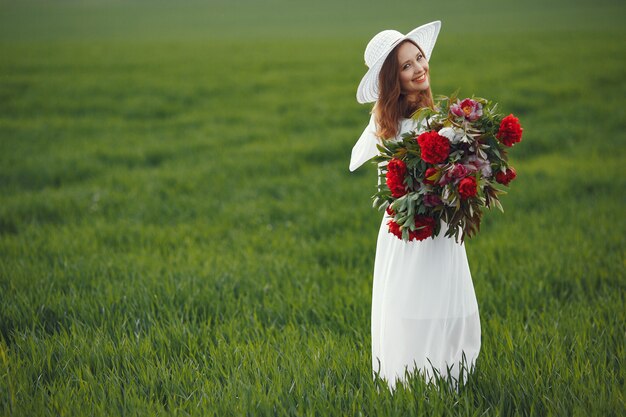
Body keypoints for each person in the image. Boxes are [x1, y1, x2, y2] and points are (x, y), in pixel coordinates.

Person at [349, 21, 481, 389]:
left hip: (441, 228)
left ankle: (450, 379)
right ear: (394, 78)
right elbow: (390, 186)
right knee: (412, 300)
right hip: (410, 228)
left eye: (419, 58)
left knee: (446, 299)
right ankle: (410, 381)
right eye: (406, 66)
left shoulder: (438, 117)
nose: (419, 67)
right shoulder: (389, 125)